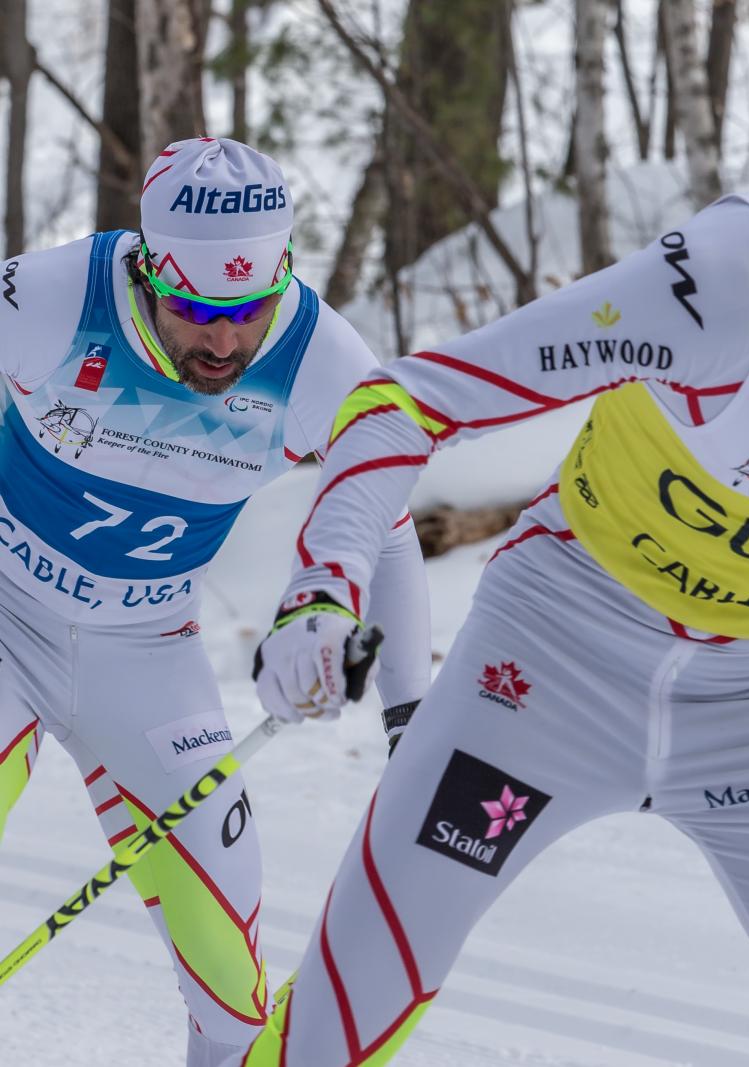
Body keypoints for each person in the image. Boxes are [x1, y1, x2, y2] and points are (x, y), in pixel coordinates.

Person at [242, 190, 749, 1065]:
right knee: (330, 1038)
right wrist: (322, 584)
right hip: (550, 661)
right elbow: (408, 400)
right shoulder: (738, 283)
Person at [0, 137, 430, 1067]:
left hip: (146, 655)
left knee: (234, 996)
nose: (226, 342)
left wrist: (408, 719)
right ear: (149, 267)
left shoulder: (320, 359)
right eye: (195, 310)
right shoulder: (50, 299)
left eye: (248, 310)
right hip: (6, 616)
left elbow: (387, 525)